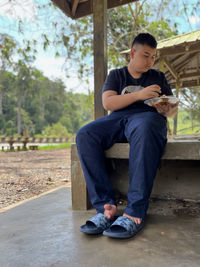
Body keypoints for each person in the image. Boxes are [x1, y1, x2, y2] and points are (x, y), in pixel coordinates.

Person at [76, 33, 178, 239]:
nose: (150, 61)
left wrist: (166, 108)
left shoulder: (158, 77)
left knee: (147, 125)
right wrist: (139, 95)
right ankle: (106, 207)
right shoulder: (117, 74)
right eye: (146, 55)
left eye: (153, 57)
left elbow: (172, 110)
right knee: (85, 134)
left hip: (146, 119)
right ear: (133, 53)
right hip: (118, 119)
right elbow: (108, 103)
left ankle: (134, 212)